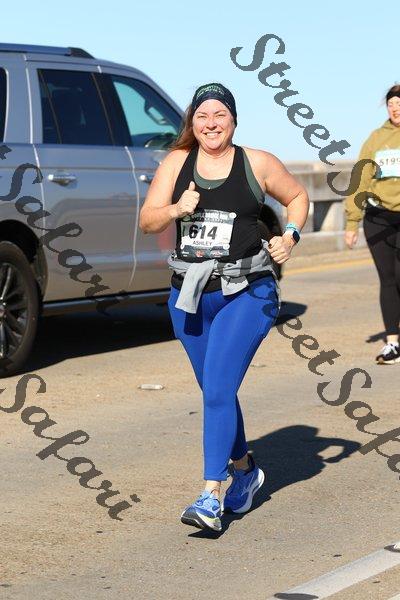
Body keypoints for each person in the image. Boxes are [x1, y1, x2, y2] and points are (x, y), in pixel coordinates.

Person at [139, 82, 309, 532]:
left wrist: (290, 236)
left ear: (233, 120)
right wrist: (176, 208)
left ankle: (211, 494)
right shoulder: (176, 163)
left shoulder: (258, 163)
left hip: (248, 292)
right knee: (216, 390)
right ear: (192, 122)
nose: (211, 124)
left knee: (216, 388)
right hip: (189, 295)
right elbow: (147, 221)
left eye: (219, 115)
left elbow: (297, 197)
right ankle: (246, 471)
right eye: (202, 116)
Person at [344, 84, 400, 365]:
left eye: (399, 103)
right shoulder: (376, 139)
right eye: (391, 104)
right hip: (378, 218)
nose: (395, 108)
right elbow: (361, 180)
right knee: (387, 279)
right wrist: (351, 222)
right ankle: (393, 343)